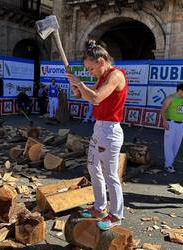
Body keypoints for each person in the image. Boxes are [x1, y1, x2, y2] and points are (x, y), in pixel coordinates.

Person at [66, 40, 128, 231]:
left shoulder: (115, 76)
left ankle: (116, 214)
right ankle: (100, 207)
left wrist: (80, 84)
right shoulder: (102, 78)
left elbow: (96, 98)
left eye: (91, 68)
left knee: (110, 175)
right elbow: (85, 96)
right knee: (93, 168)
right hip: (99, 128)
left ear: (101, 61)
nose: (90, 72)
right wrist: (75, 87)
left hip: (110, 131)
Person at [161, 83, 183, 173]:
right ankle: (168, 165)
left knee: (176, 145)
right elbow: (163, 109)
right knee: (168, 145)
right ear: (179, 90)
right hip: (170, 123)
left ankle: (170, 162)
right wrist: (164, 121)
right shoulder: (170, 98)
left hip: (181, 125)